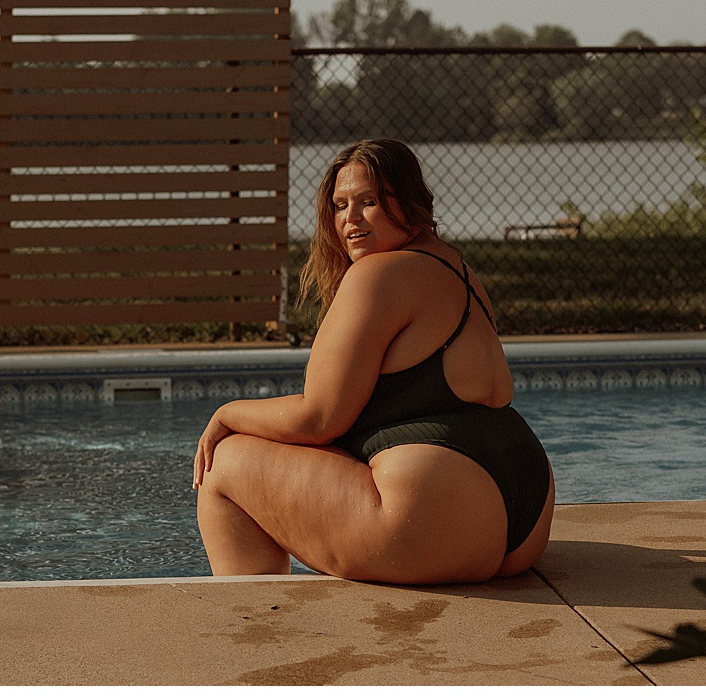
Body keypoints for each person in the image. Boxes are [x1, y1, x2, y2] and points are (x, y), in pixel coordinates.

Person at [192, 139, 555, 582]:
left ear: (411, 203)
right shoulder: (457, 267)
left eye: (370, 202)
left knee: (222, 463)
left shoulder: (378, 274)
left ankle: (257, 629)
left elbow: (320, 418)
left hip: (433, 520)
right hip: (525, 513)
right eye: (340, 205)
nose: (351, 219)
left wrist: (227, 414)